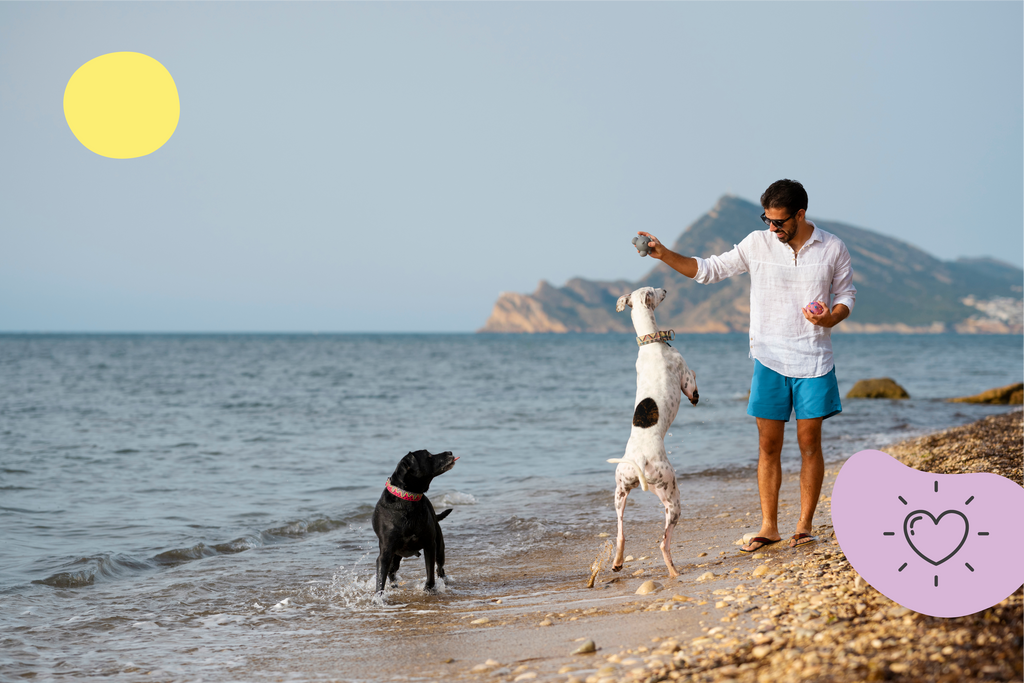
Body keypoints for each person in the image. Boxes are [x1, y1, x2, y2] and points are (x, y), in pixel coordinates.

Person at [638, 179, 855, 551]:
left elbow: (846, 294)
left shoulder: (832, 247)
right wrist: (664, 254)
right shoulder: (757, 243)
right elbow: (708, 270)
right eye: (767, 220)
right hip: (769, 357)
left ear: (800, 214)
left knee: (809, 445)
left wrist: (831, 318)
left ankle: (803, 526)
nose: (773, 228)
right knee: (768, 446)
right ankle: (769, 527)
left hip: (814, 359)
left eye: (780, 222)